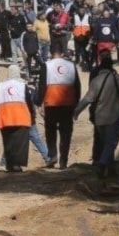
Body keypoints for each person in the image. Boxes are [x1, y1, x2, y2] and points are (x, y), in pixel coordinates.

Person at [74, 54, 119, 189]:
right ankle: (102, 165)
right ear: (111, 65)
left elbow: (87, 99)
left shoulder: (96, 81)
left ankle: (110, 171)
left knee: (106, 144)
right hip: (113, 116)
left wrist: (76, 112)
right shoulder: (117, 78)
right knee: (112, 143)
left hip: (99, 118)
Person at [36, 41, 81, 169]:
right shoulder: (71, 65)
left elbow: (42, 86)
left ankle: (53, 155)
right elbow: (77, 85)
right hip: (68, 103)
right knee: (66, 133)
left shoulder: (46, 65)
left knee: (50, 131)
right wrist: (76, 102)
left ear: (50, 53)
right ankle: (63, 161)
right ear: (62, 53)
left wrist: (39, 103)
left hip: (51, 103)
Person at [0, 64, 36, 172]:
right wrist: (33, 116)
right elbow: (29, 101)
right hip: (20, 116)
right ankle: (17, 165)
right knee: (20, 142)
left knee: (8, 141)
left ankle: (9, 164)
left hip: (5, 117)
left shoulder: (1, 85)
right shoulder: (22, 85)